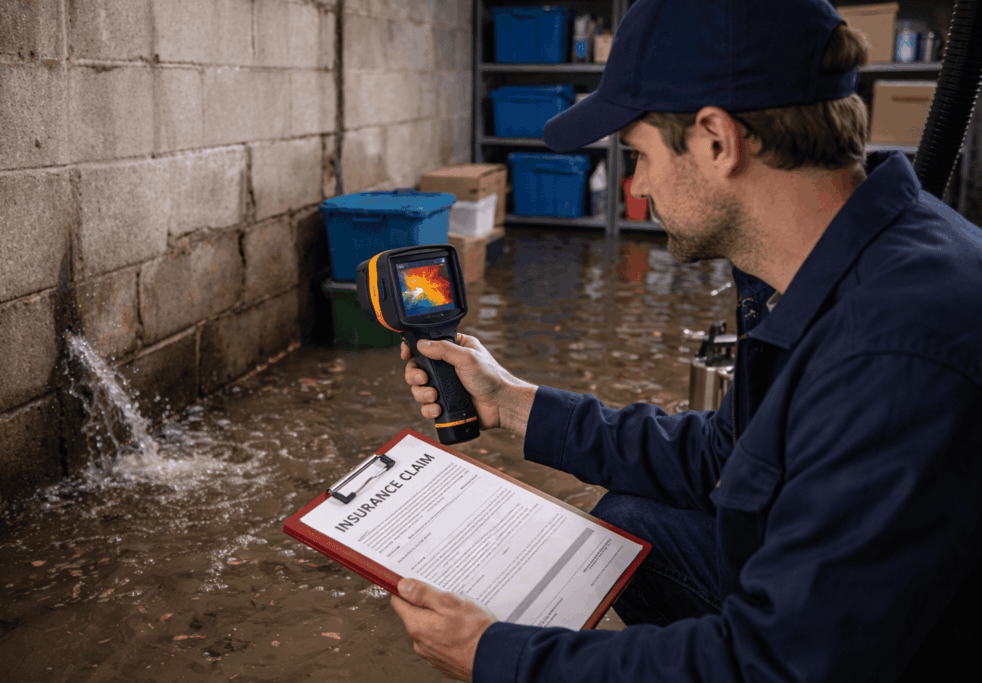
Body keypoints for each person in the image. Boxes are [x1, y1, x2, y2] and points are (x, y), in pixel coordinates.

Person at [388, 1, 982, 681]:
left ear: (717, 141)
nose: (636, 187)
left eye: (639, 154)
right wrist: (514, 402)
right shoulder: (835, 263)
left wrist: (497, 655)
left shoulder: (894, 349)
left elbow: (778, 666)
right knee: (627, 526)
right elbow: (726, 456)